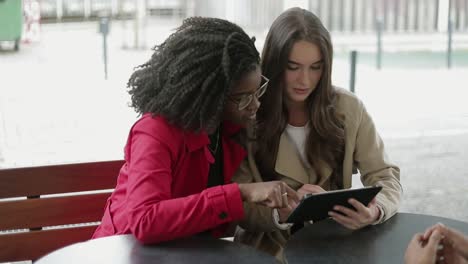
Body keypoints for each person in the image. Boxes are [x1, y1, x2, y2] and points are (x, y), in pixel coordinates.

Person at [92, 17, 299, 244]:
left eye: (257, 90)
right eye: (242, 98)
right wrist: (241, 192)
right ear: (210, 94)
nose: (255, 104)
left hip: (186, 254)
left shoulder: (230, 130)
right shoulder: (154, 131)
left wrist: (287, 208)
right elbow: (145, 220)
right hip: (122, 251)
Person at [232, 7, 402, 262]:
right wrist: (285, 212)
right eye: (293, 67)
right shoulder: (248, 113)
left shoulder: (348, 109)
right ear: (275, 63)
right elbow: (236, 198)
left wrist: (374, 210)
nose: (305, 80)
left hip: (333, 245)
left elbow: (385, 175)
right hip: (266, 250)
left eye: (316, 67)